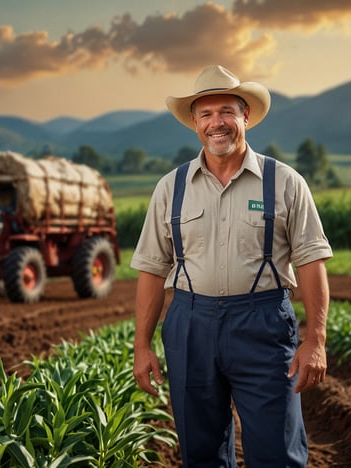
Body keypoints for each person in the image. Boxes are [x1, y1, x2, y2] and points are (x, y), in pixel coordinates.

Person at [131, 65, 333, 467]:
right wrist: (141, 345)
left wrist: (317, 339)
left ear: (245, 116)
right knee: (200, 452)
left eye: (226, 111)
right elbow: (152, 269)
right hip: (190, 324)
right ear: (194, 123)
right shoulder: (170, 187)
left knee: (277, 451)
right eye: (205, 114)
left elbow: (311, 261)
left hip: (263, 325)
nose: (216, 123)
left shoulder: (285, 182)